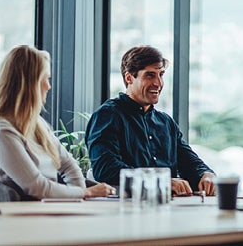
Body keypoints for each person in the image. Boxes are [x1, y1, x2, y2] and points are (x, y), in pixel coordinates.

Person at [0, 45, 115, 199]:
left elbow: (68, 165)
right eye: (46, 79)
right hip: (21, 216)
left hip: (45, 209)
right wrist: (85, 192)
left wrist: (79, 197)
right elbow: (37, 187)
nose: (49, 86)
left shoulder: (36, 123)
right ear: (30, 84)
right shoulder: (0, 132)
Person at [86, 45, 216, 196]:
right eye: (150, 75)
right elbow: (106, 169)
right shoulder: (108, 115)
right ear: (129, 78)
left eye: (161, 74)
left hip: (168, 209)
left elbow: (189, 161)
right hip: (125, 210)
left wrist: (206, 174)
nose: (159, 83)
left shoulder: (166, 122)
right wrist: (161, 181)